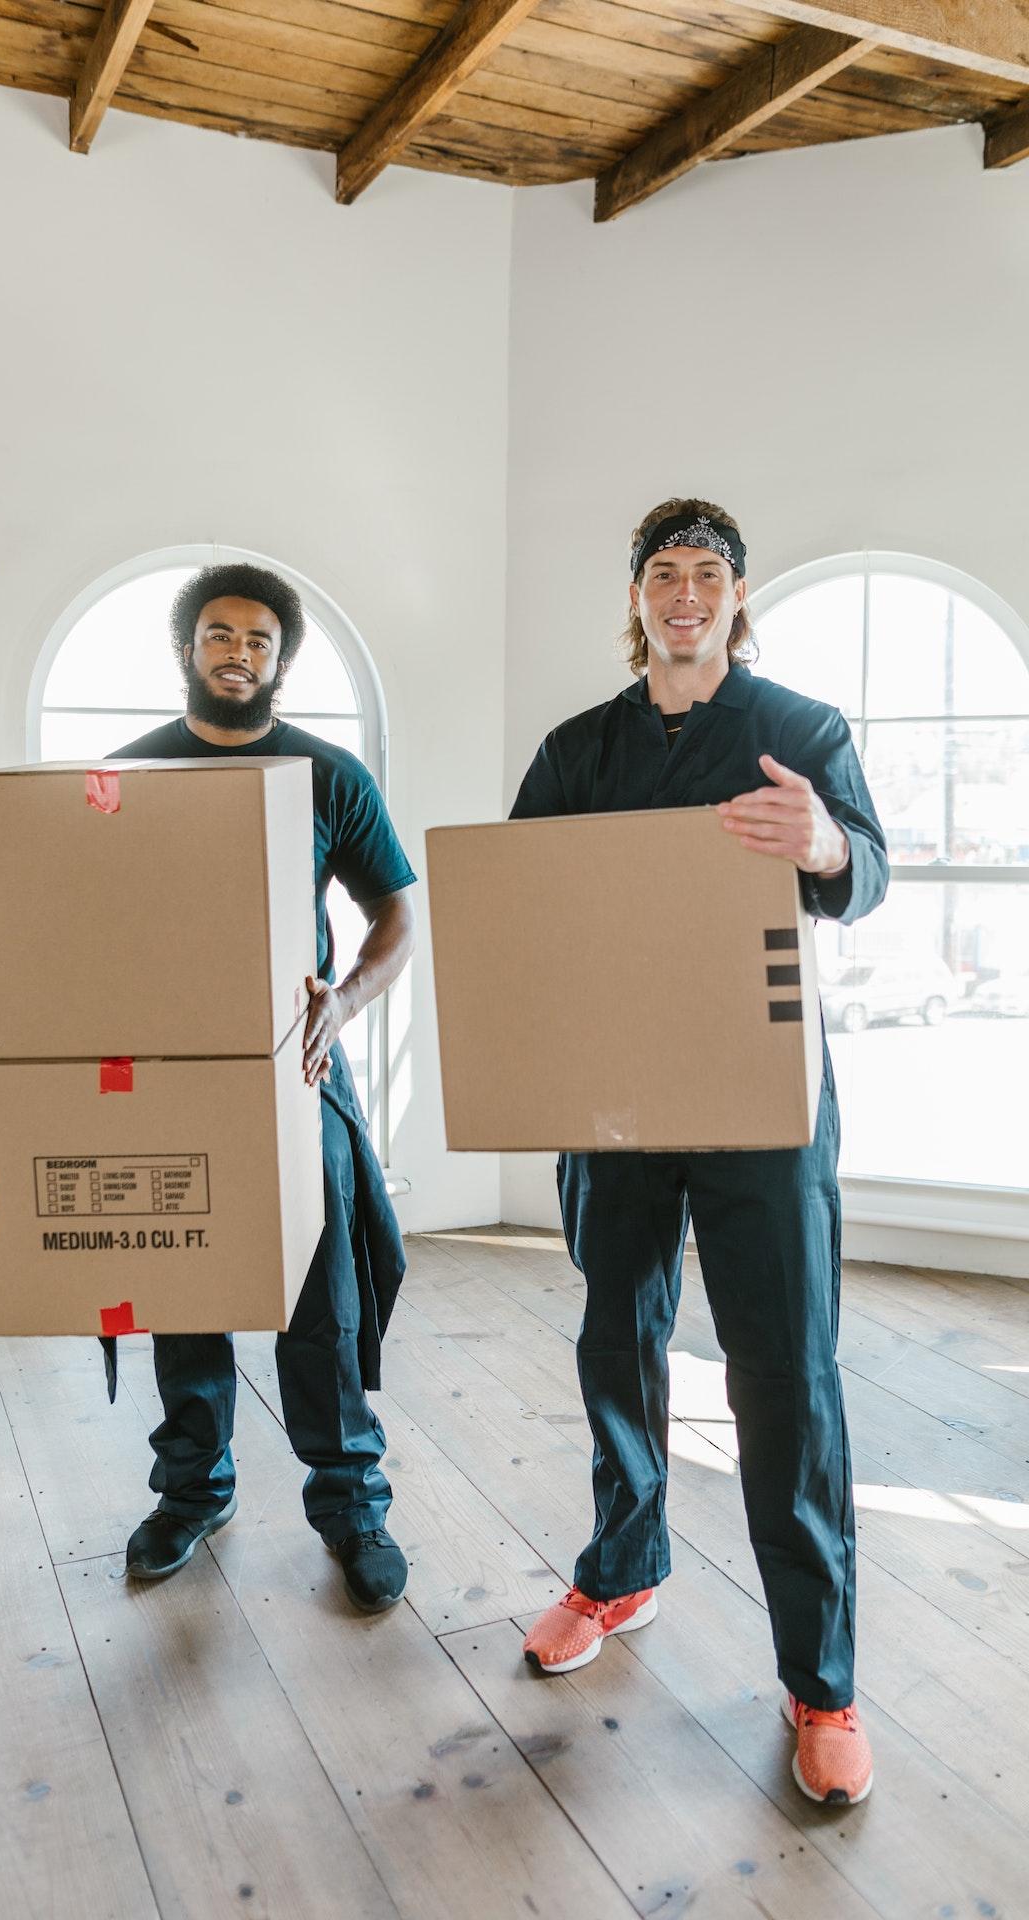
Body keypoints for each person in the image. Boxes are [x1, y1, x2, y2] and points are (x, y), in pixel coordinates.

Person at [513, 498, 888, 1807]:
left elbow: (869, 869)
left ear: (738, 598)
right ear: (638, 600)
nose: (685, 592)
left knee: (785, 1378)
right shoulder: (577, 751)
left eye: (708, 574)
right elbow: (520, 909)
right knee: (616, 1339)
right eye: (663, 573)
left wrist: (825, 840)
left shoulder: (800, 734)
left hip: (761, 1105)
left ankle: (822, 1684)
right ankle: (621, 1574)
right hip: (616, 1107)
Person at [106, 562, 417, 1613]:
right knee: (187, 1287)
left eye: (258, 640)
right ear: (186, 650)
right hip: (169, 1079)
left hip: (296, 1072)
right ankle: (192, 1491)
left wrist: (341, 1004)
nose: (237, 652)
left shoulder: (326, 775)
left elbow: (397, 921)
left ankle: (351, 1506)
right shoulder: (126, 779)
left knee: (317, 1300)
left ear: (281, 660)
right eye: (218, 635)